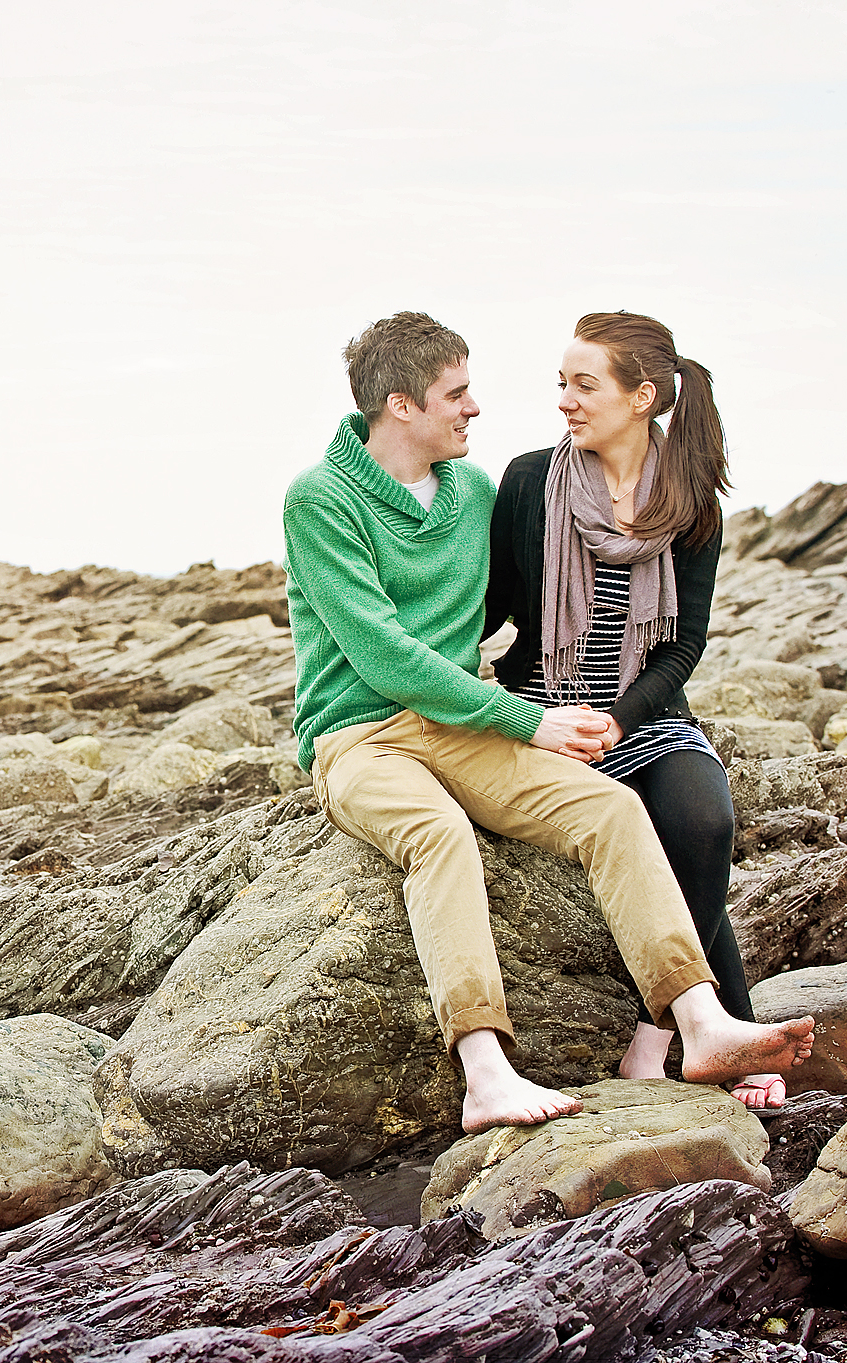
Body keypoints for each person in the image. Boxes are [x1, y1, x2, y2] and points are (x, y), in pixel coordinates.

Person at [282, 311, 813, 1133]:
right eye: (456, 395)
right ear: (400, 405)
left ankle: (700, 1023)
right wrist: (528, 716)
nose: (475, 409)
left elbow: (507, 608)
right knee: (439, 836)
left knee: (611, 807)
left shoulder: (475, 492)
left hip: (461, 724)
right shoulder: (320, 500)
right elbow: (384, 654)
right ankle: (485, 1073)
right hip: (359, 732)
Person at [483, 311, 781, 1107]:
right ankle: (734, 1032)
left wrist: (619, 718)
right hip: (538, 709)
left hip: (642, 712)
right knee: (640, 834)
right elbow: (490, 612)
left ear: (642, 396)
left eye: (585, 385)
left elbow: (683, 647)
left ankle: (653, 1044)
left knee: (702, 823)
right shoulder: (525, 482)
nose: (566, 402)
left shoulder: (690, 505)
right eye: (562, 385)